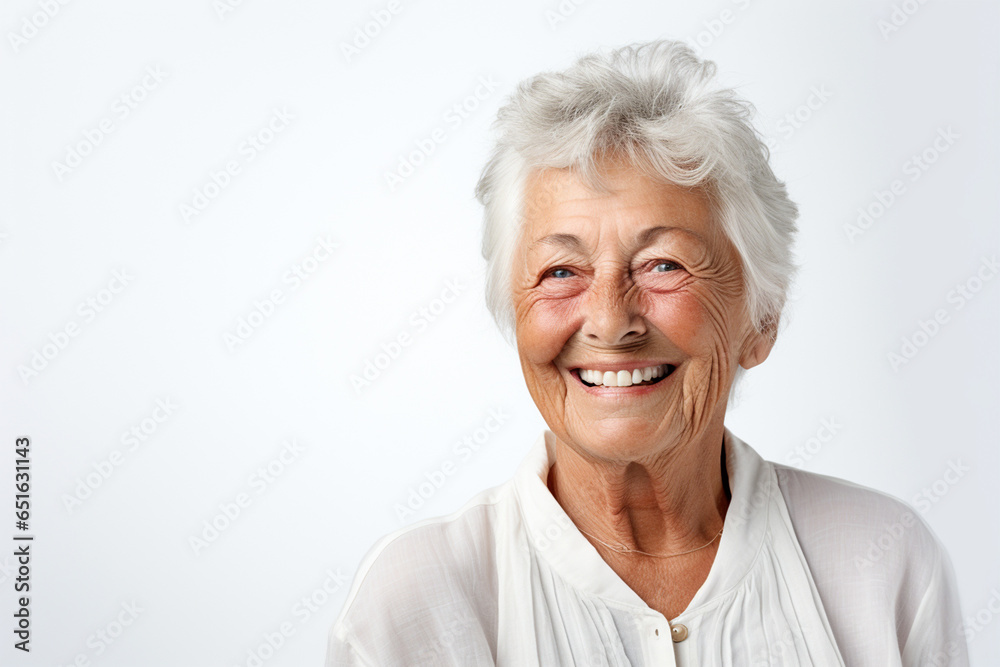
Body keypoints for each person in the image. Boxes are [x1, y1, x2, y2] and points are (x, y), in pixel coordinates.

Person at [326, 40, 969, 666]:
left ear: (762, 320)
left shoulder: (883, 562)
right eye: (560, 271)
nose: (609, 320)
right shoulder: (416, 603)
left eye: (663, 265)